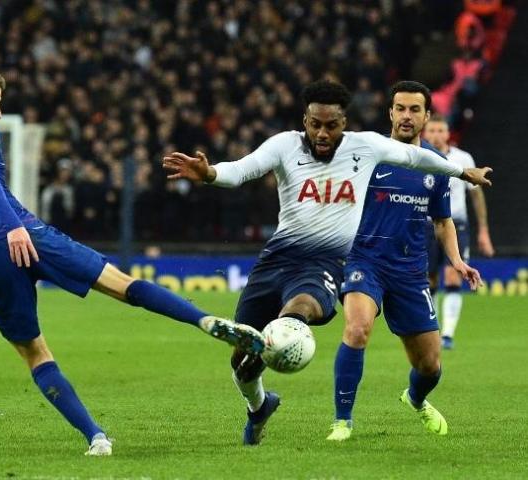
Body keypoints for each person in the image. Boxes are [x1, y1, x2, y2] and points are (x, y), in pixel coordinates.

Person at [0, 66, 264, 456]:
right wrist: (13, 226)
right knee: (121, 285)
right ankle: (205, 322)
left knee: (36, 353)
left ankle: (96, 436)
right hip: (27, 234)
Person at [162, 79, 492, 447]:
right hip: (276, 259)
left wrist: (463, 173)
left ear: (344, 123)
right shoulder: (284, 146)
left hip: (329, 261)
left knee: (304, 307)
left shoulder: (364, 147)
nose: (322, 133)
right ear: (304, 120)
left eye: (331, 125)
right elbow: (242, 170)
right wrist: (209, 174)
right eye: (315, 124)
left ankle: (290, 330)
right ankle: (259, 406)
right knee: (242, 360)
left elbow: (417, 157)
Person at [327, 81, 482, 442]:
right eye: (400, 108)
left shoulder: (437, 165)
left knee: (430, 366)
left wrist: (457, 261)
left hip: (410, 270)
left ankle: (415, 398)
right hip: (364, 260)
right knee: (357, 329)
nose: (406, 116)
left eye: (415, 110)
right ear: (391, 113)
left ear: (427, 116)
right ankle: (342, 421)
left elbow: (443, 222)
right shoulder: (368, 156)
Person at [422, 114, 495, 350]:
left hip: (458, 224)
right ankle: (431, 330)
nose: (436, 135)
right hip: (425, 225)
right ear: (425, 132)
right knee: (428, 279)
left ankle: (448, 335)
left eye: (440, 130)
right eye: (431, 130)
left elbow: (476, 195)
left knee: (453, 275)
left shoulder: (462, 158)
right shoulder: (419, 157)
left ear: (447, 133)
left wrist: (483, 230)